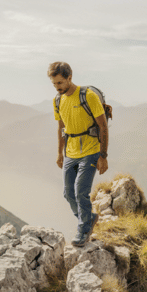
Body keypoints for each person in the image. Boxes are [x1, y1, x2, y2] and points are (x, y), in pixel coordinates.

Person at [49, 61, 109, 247]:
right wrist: (60, 153)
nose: (57, 87)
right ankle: (88, 218)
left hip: (91, 150)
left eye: (60, 83)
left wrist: (103, 156)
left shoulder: (87, 96)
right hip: (71, 152)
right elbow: (61, 128)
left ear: (69, 77)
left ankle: (83, 230)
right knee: (68, 193)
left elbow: (103, 126)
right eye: (54, 84)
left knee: (81, 192)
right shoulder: (58, 101)